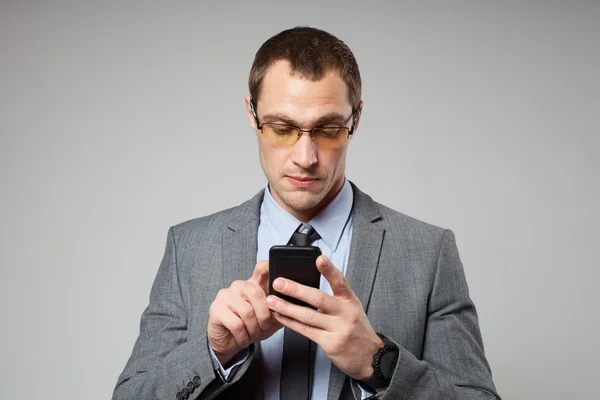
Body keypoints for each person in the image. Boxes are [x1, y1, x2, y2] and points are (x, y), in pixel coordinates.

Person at [113, 26, 500, 400]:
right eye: (281, 128)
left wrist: (377, 362)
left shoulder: (429, 253)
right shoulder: (190, 248)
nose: (305, 158)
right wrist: (213, 353)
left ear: (356, 119)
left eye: (329, 129)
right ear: (252, 116)